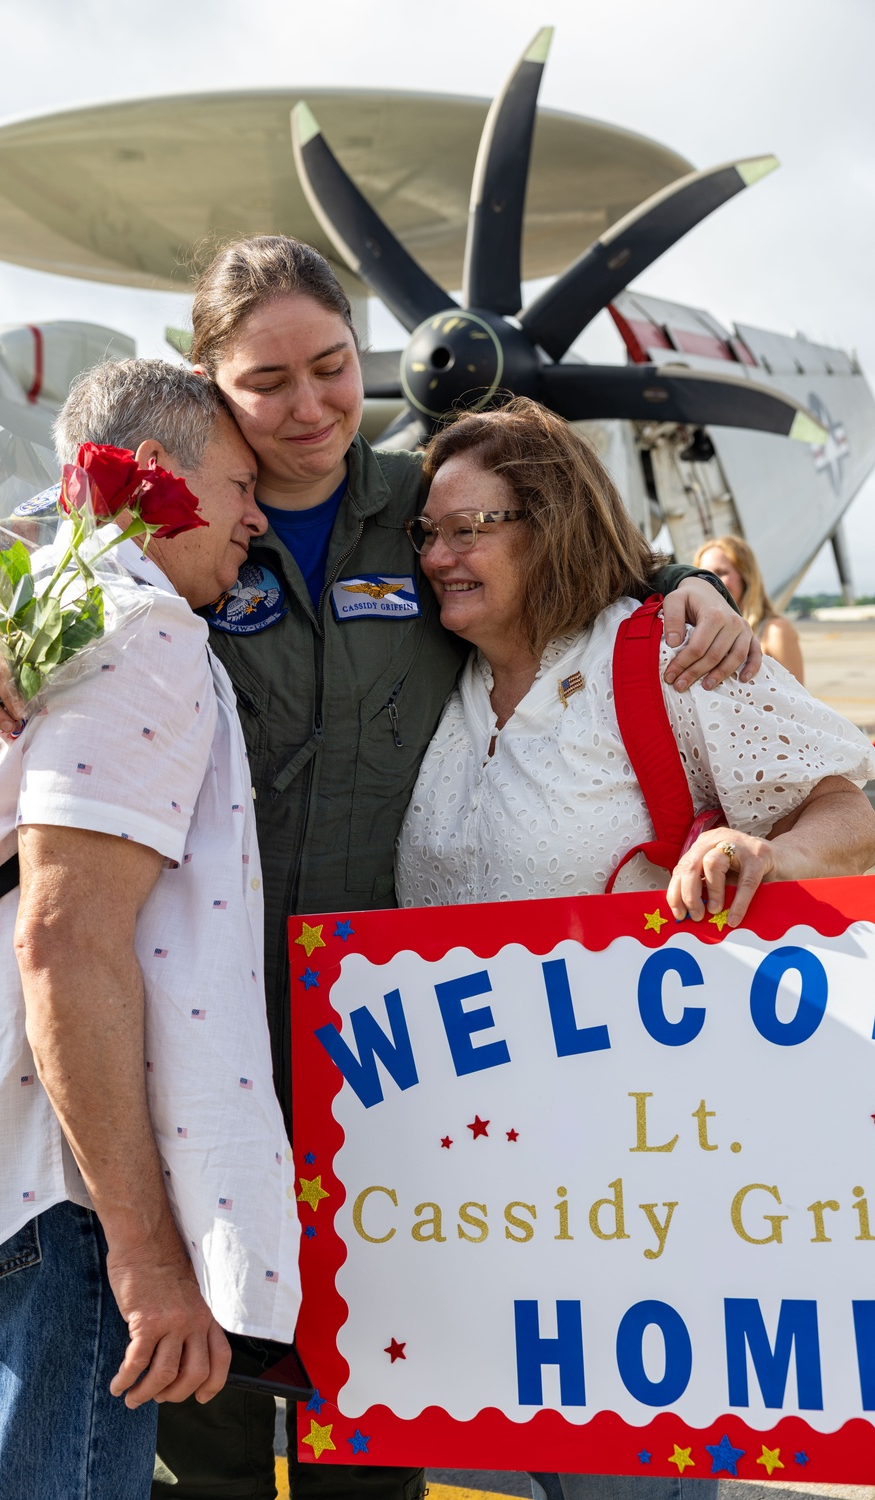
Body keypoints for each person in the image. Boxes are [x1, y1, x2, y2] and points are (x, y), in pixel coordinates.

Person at [0, 237, 759, 1500]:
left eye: (334, 368)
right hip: (192, 1039)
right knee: (210, 1403)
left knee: (370, 1399)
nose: (309, 408)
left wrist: (685, 590)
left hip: (386, 1049)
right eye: (267, 384)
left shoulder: (427, 502)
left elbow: (571, 546)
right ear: (205, 394)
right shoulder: (144, 536)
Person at [393, 397, 875, 1500]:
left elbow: (845, 811)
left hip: (644, 1177)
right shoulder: (438, 681)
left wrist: (766, 855)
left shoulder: (663, 652)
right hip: (479, 1182)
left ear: (548, 523)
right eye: (428, 532)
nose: (437, 555)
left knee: (631, 1479)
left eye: (470, 527)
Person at [0, 360, 301, 1500]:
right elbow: (65, 942)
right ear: (155, 479)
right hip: (52, 1192)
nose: (259, 515)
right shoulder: (144, 630)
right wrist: (149, 1255)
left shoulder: (16, 623)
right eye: (239, 482)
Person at [693, 534, 805, 683]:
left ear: (745, 578)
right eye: (704, 574)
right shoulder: (698, 631)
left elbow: (796, 700)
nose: (712, 581)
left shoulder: (775, 631)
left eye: (721, 572)